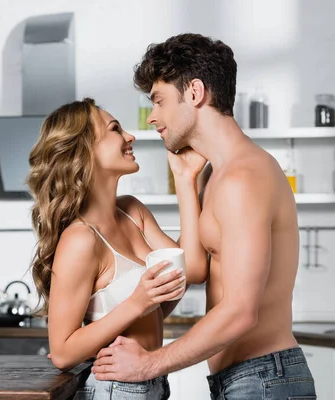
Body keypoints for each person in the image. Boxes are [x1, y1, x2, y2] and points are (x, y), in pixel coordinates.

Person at [92, 33, 316, 399]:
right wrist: (184, 179)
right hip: (246, 379)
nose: (152, 118)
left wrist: (150, 363)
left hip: (264, 379)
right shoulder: (216, 174)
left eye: (160, 101)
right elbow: (192, 269)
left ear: (195, 92)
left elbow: (241, 312)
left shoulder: (244, 177)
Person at [26, 97, 208, 399]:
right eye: (115, 129)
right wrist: (139, 301)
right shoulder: (80, 239)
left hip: (152, 379)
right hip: (115, 388)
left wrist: (185, 180)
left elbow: (195, 270)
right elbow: (62, 352)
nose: (130, 136)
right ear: (85, 151)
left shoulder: (132, 212)